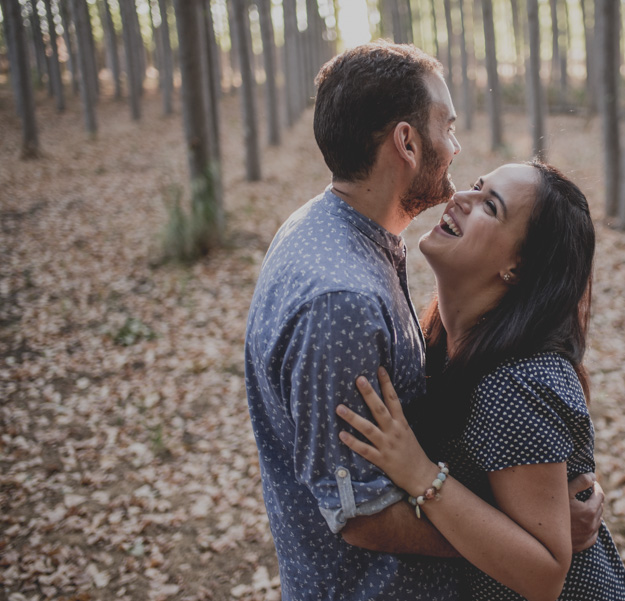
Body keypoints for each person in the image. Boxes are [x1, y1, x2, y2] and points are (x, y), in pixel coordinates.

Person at [244, 41, 604, 601]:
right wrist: (523, 529)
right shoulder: (345, 298)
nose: (458, 161)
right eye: (449, 127)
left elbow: (534, 524)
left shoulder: (335, 233)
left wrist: (545, 510)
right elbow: (361, 514)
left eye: (489, 201)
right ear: (407, 142)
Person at [337, 162, 625, 601]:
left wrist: (420, 474)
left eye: (489, 206)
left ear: (518, 265)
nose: (460, 198)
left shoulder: (514, 382)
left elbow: (545, 575)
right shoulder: (443, 338)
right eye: (477, 186)